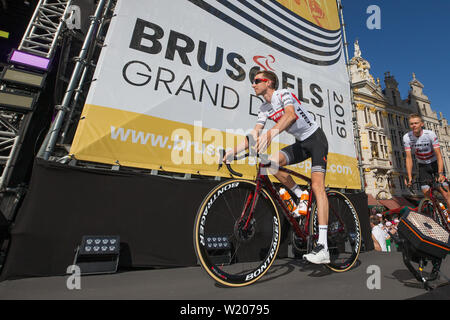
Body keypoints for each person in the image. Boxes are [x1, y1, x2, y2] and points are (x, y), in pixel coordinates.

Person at [224, 70, 330, 264]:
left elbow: (290, 116)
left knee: (317, 186)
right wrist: (232, 152)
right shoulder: (264, 108)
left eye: (256, 80)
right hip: (301, 143)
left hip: (316, 140)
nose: (253, 84)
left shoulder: (284, 94)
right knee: (269, 164)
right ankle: (300, 195)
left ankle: (323, 247)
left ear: (269, 82)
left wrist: (271, 133)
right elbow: (254, 135)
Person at [403, 113, 450, 207]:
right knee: (426, 194)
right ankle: (436, 211)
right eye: (411, 124)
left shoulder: (430, 134)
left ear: (422, 124)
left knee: (445, 193)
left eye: (416, 123)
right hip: (422, 166)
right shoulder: (407, 137)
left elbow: (439, 155)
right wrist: (410, 177)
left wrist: (440, 173)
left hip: (435, 163)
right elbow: (408, 158)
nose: (414, 125)